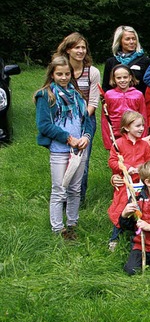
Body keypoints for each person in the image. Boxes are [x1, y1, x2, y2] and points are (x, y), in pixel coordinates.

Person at [35, 56, 91, 239]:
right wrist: (68, 138)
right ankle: (57, 228)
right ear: (52, 74)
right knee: (59, 189)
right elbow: (44, 125)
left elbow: (87, 120)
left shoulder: (77, 94)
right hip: (60, 149)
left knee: (75, 189)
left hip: (78, 149)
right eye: (59, 74)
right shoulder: (46, 95)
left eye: (67, 74)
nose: (64, 77)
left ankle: (72, 223)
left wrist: (86, 137)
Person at [54, 32, 100, 202]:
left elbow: (93, 102)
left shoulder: (92, 72)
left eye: (83, 47)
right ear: (67, 50)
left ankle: (78, 199)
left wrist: (79, 120)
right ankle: (61, 196)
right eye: (76, 47)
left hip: (86, 120)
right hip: (62, 122)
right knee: (62, 158)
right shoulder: (62, 70)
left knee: (82, 161)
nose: (81, 51)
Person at [106, 111, 150, 251]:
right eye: (137, 126)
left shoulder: (144, 145)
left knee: (141, 206)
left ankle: (139, 234)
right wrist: (127, 168)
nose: (141, 129)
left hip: (140, 183)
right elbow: (112, 162)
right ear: (127, 127)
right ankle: (115, 236)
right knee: (121, 206)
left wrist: (142, 169)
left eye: (142, 126)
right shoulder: (118, 144)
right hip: (125, 183)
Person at [101, 64, 147, 150]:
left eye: (125, 77)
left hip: (134, 135)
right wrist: (108, 142)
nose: (122, 80)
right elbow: (105, 120)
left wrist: (143, 138)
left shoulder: (138, 95)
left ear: (130, 77)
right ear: (114, 79)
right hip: (116, 136)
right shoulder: (109, 95)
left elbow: (143, 117)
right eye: (119, 78)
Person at [102, 25, 150, 93]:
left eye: (134, 39)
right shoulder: (111, 62)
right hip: (116, 102)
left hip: (138, 101)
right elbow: (106, 87)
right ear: (120, 41)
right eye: (127, 39)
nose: (131, 42)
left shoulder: (146, 61)